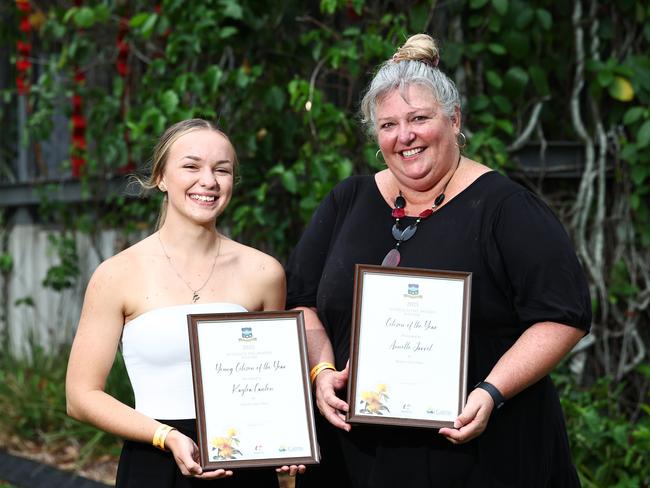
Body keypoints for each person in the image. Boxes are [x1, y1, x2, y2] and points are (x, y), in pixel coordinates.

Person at [286, 34, 591, 488]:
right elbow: (302, 298)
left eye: (419, 118)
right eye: (388, 124)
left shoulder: (506, 209)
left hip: (480, 454)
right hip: (356, 458)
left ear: (454, 120)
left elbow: (562, 314)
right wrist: (322, 370)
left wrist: (492, 391)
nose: (404, 136)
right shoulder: (347, 200)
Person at [66, 118, 304, 487]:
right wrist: (166, 436)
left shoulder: (264, 272)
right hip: (155, 462)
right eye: (191, 166)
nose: (208, 181)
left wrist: (285, 445)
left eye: (221, 170)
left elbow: (276, 384)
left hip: (243, 465)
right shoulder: (116, 274)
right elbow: (81, 396)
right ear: (161, 176)